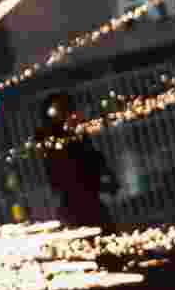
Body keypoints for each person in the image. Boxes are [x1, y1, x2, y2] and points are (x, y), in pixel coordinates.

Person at [35, 91, 120, 233]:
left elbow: (92, 157)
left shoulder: (75, 134)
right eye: (61, 110)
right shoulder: (51, 139)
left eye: (67, 109)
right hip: (75, 203)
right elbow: (68, 173)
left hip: (86, 201)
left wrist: (105, 177)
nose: (67, 114)